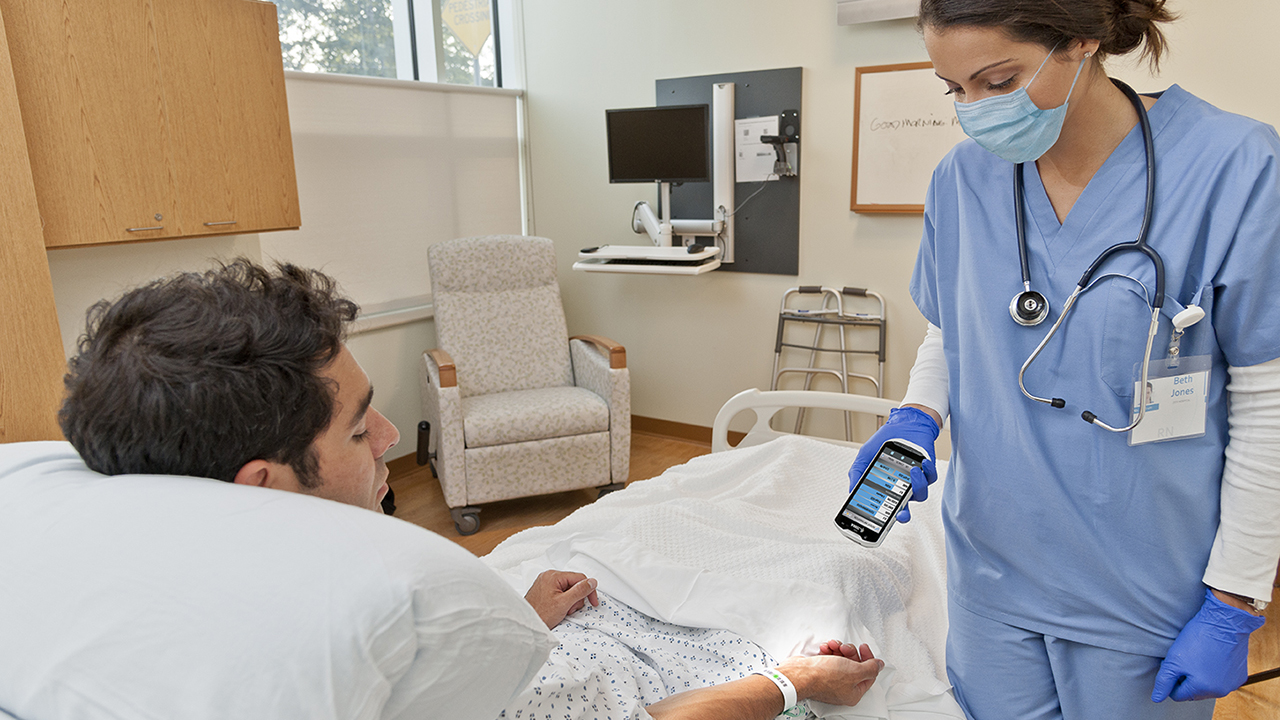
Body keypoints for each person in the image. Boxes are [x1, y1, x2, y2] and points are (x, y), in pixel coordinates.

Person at [59, 259, 882, 719]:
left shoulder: (170, 608)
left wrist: (518, 617)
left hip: (578, 623)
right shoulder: (306, 669)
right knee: (835, 559)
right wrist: (793, 683)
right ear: (261, 485)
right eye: (357, 429)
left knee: (722, 499)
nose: (391, 441)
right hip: (696, 678)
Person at [846, 2, 1280, 719]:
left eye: (999, 79)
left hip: (1142, 586)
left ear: (1082, 37)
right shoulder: (963, 180)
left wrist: (1236, 598)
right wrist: (915, 416)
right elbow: (951, 331)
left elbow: (1267, 399)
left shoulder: (1235, 167)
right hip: (993, 575)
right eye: (955, 89)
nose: (976, 111)